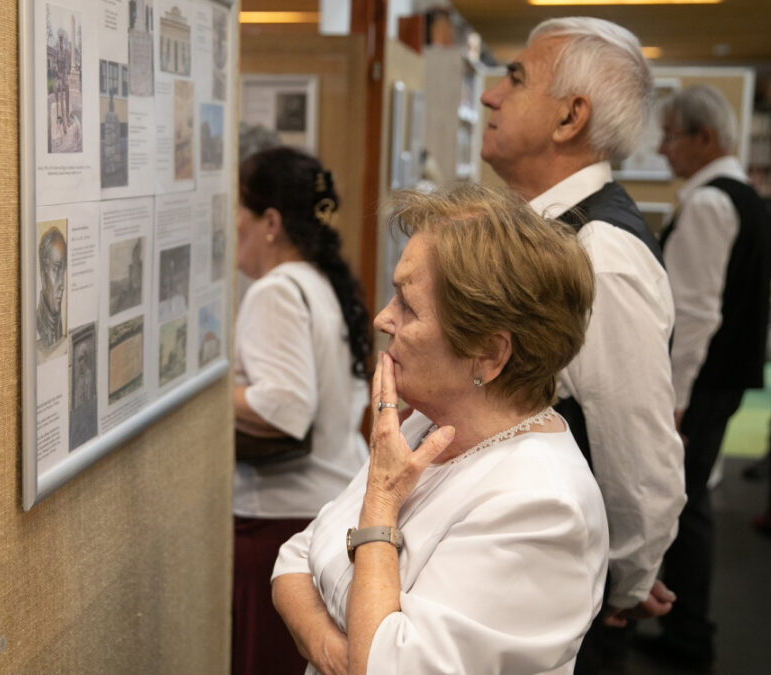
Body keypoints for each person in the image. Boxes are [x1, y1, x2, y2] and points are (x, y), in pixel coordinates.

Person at [272, 184, 606, 674]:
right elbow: (294, 559)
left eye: (407, 305)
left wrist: (381, 501)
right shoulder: (429, 425)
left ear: (489, 354)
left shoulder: (541, 506)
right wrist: (333, 651)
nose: (384, 318)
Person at [479, 17, 686, 671]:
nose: (490, 95)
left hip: (561, 601)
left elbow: (639, 458)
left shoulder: (602, 252)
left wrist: (622, 581)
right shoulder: (548, 230)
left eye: (514, 79)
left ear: (571, 117)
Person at [233, 147, 372, 675]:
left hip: (280, 515)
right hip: (326, 499)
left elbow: (286, 406)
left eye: (241, 216)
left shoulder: (276, 291)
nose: (236, 230)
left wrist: (216, 390)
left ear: (269, 222)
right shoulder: (322, 282)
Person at [648, 84, 771, 669]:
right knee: (689, 503)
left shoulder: (708, 203)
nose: (662, 147)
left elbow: (693, 314)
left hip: (701, 383)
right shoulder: (742, 195)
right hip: (724, 380)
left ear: (705, 137)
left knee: (683, 504)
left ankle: (688, 633)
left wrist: (672, 403)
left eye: (671, 135)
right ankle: (685, 625)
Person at [36, 226, 66, 353]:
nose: (62, 284)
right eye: (56, 270)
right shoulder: (36, 327)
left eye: (63, 272)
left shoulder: (60, 327)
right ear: (43, 275)